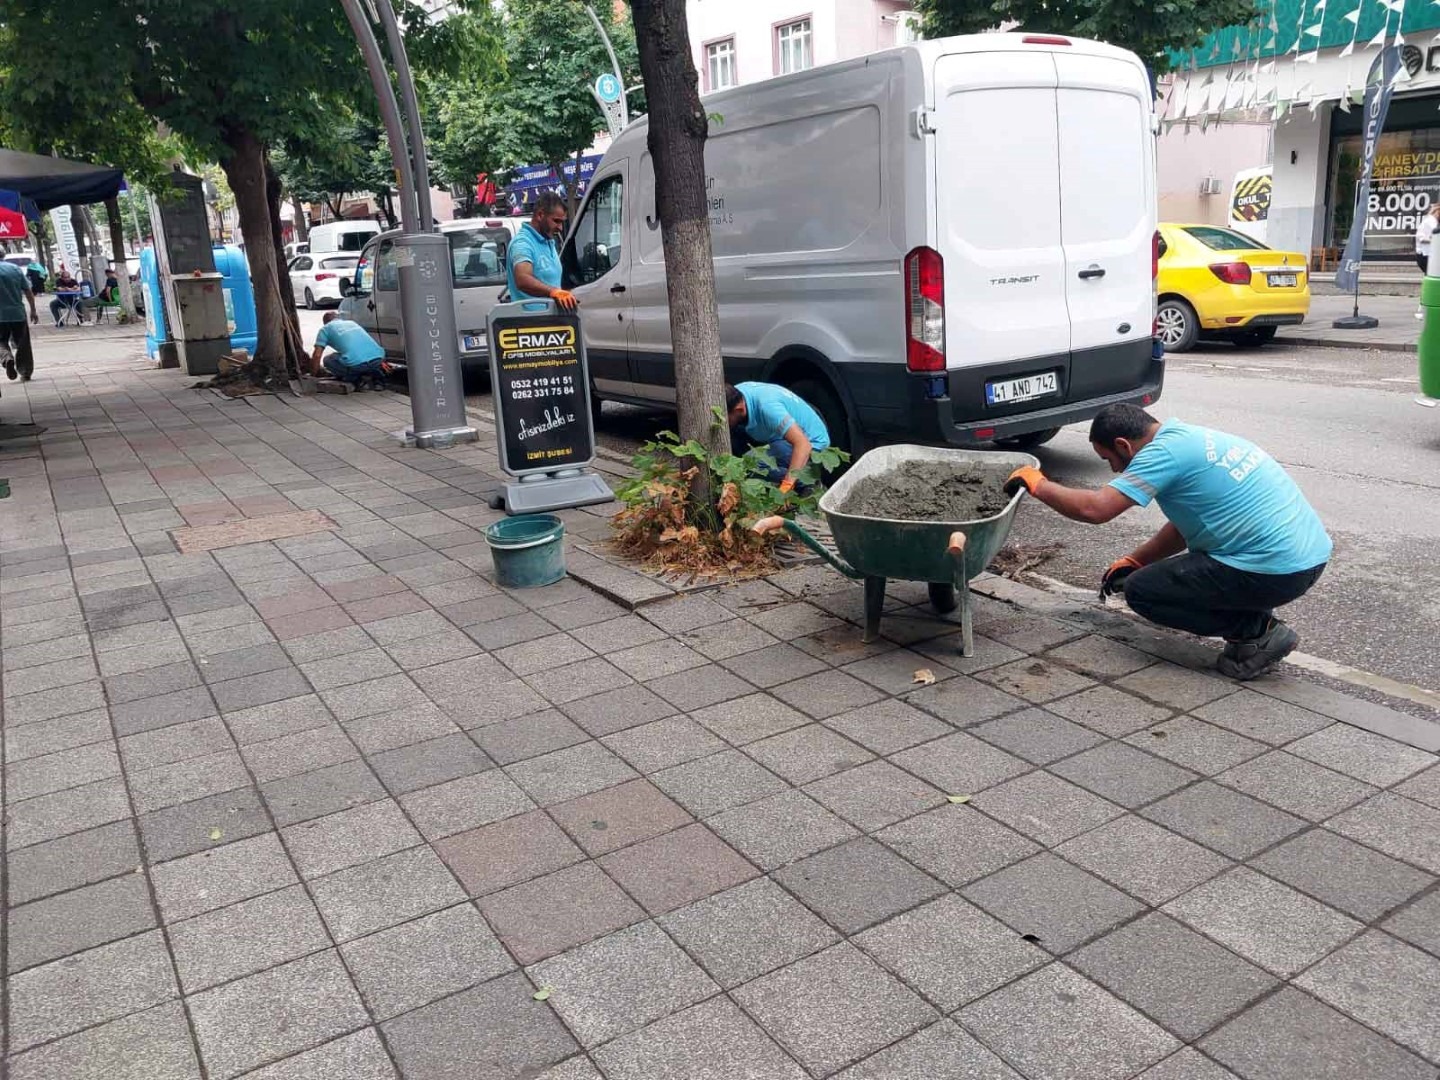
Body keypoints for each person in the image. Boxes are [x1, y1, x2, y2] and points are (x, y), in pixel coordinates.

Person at [1005, 404, 1331, 680]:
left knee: (1143, 592)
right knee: (1160, 573)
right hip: (1306, 559)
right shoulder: (1191, 438)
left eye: (1109, 459)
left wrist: (1038, 484)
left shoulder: (1162, 454)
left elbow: (1095, 509)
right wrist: (1136, 560)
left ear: (1124, 446)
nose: (1113, 468)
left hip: (1274, 569)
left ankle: (1258, 631)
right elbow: (1184, 526)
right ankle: (1253, 621)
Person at [725, 381, 830, 494]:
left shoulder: (768, 409)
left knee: (749, 463)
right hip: (783, 438)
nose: (725, 422)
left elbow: (803, 444)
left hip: (812, 444)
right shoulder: (737, 394)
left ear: (739, 410)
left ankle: (808, 483)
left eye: (727, 418)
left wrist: (786, 487)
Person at [507, 191, 577, 310]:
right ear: (540, 215)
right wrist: (553, 292)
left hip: (551, 321)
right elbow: (522, 279)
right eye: (556, 221)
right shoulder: (523, 243)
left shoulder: (548, 240)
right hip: (532, 324)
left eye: (562, 222)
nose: (560, 228)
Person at [310, 311, 385, 383]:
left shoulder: (325, 329)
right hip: (378, 359)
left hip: (358, 365)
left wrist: (313, 374)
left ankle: (354, 378)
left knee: (328, 360)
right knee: (349, 356)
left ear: (325, 323)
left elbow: (317, 355)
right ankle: (374, 376)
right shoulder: (351, 323)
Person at [0, 258, 40, 388]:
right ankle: (25, 371)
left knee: (0, 341)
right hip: (17, 312)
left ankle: (7, 359)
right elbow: (28, 291)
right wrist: (33, 310)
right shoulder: (15, 269)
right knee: (23, 343)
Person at [1416, 205, 1440, 318]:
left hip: (1426, 256)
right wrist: (1434, 240)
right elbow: (1422, 238)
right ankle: (1423, 307)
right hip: (1426, 256)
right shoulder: (1431, 222)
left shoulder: (1429, 220)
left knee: (1429, 280)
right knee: (1430, 280)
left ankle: (1423, 306)